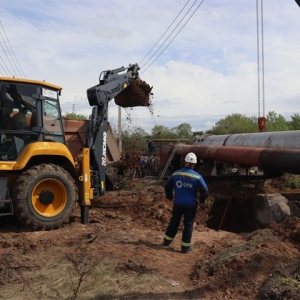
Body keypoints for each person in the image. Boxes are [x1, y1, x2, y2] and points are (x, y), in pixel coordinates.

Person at [163, 152, 208, 253]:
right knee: (188, 224)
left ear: (185, 162)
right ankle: (185, 247)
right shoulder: (197, 177)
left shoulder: (176, 174)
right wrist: (201, 200)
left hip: (178, 203)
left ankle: (166, 241)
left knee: (174, 221)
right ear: (194, 164)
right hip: (191, 205)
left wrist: (170, 197)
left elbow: (167, 186)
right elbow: (205, 191)